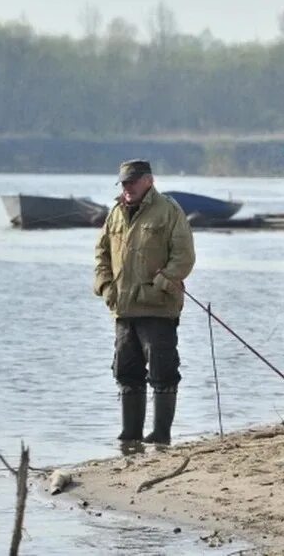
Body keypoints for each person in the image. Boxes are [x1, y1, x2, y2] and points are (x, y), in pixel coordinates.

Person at [93, 159, 196, 445]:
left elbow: (184, 255)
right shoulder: (114, 213)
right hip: (123, 309)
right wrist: (104, 286)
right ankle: (130, 437)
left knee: (163, 372)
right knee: (126, 372)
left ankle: (161, 435)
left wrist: (162, 284)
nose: (127, 187)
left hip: (158, 308)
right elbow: (101, 254)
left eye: (132, 182)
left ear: (148, 181)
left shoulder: (169, 211)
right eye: (124, 183)